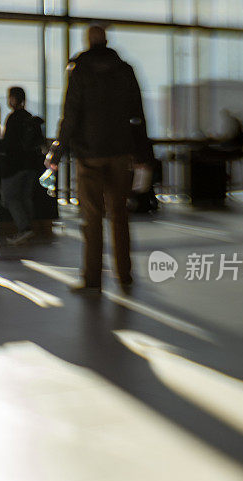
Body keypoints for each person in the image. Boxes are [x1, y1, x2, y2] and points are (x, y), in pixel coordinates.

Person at [47, 24, 153, 294]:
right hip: (120, 153)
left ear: (88, 41)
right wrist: (143, 153)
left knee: (91, 218)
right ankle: (124, 274)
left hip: (89, 155)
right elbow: (137, 114)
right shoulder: (125, 70)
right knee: (119, 215)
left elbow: (70, 115)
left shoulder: (78, 70)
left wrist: (58, 152)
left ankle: (92, 278)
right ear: (106, 41)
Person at [0, 86, 46, 246]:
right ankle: (28, 228)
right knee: (25, 197)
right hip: (31, 165)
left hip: (15, 165)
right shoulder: (30, 118)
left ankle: (24, 228)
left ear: (13, 99)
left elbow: (8, 144)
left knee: (10, 198)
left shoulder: (13, 118)